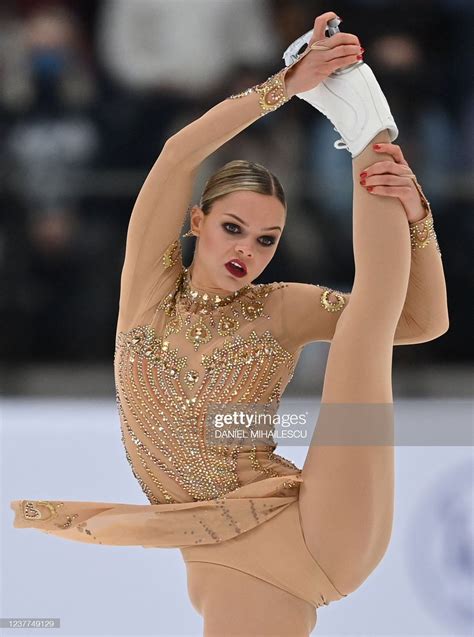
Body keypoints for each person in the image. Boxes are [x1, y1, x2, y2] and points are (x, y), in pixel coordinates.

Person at [11, 11, 449, 636]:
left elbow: (425, 321)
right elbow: (176, 154)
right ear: (197, 222)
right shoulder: (146, 296)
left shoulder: (281, 307)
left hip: (301, 523)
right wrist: (282, 87)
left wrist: (417, 217)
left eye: (268, 239)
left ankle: (366, 124)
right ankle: (360, 113)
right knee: (366, 328)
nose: (249, 249)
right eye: (233, 229)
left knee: (365, 330)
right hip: (270, 552)